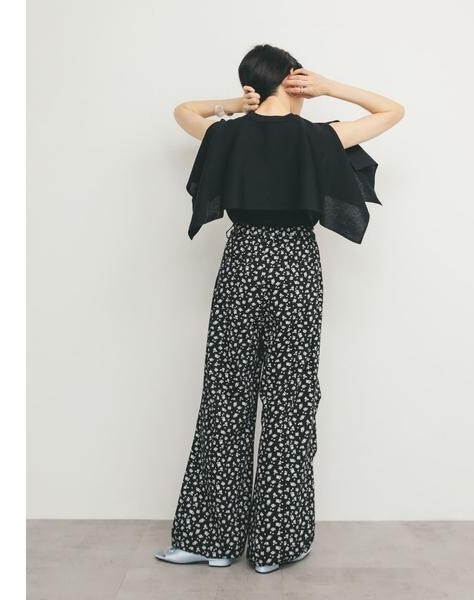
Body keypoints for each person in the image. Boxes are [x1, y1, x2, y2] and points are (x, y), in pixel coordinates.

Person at [154, 44, 404, 574]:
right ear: (294, 80)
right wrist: (330, 87)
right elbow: (392, 110)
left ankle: (212, 540)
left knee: (226, 396)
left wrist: (234, 104)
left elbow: (183, 111)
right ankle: (276, 544)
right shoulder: (319, 137)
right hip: (295, 265)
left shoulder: (225, 134)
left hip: (241, 261)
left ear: (251, 84)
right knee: (291, 401)